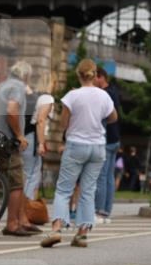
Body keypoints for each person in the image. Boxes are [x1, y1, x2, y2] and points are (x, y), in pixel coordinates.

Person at [40, 59, 117, 248]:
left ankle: (57, 229)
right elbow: (114, 117)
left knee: (64, 189)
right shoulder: (103, 95)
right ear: (93, 74)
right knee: (88, 191)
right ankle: (82, 234)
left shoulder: (72, 96)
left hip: (76, 145)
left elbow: (64, 123)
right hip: (98, 147)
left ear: (79, 75)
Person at [0, 61, 40, 236]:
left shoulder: (1, 86)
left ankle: (23, 220)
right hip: (6, 141)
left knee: (15, 178)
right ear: (25, 76)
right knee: (16, 184)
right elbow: (11, 111)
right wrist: (19, 135)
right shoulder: (18, 86)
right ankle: (12, 224)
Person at [94, 66, 122, 224]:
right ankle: (106, 211)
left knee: (102, 176)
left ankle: (99, 211)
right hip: (115, 139)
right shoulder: (114, 91)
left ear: (101, 77)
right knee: (109, 177)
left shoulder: (104, 94)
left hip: (106, 139)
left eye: (94, 79)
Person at [21, 85, 55, 201]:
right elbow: (41, 121)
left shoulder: (28, 98)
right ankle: (26, 207)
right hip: (32, 138)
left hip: (22, 136)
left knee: (26, 173)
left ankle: (23, 206)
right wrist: (41, 144)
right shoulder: (47, 99)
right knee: (32, 175)